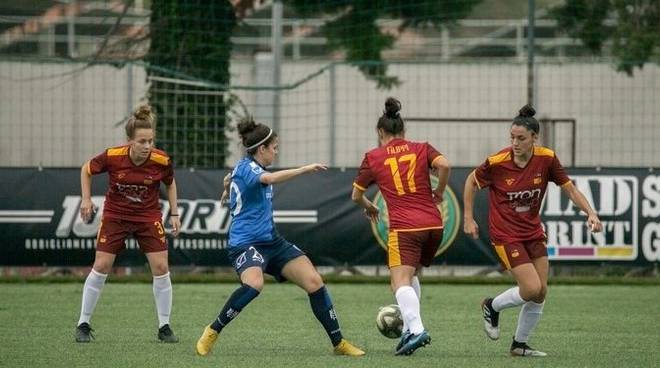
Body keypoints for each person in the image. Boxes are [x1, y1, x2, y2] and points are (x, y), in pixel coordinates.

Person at [195, 117, 365, 357]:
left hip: (272, 242)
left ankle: (339, 343)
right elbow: (270, 179)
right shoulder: (250, 169)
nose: (276, 152)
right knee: (254, 284)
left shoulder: (246, 167)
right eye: (274, 148)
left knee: (315, 282)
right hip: (245, 243)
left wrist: (226, 189)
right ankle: (212, 331)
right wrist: (306, 169)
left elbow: (229, 178)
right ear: (261, 148)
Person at [463, 105, 603, 357]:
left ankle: (519, 345)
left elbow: (570, 189)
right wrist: (468, 217)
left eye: (521, 138)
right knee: (529, 289)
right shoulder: (497, 162)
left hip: (533, 232)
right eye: (512, 138)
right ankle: (491, 306)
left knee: (540, 292)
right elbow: (471, 181)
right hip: (505, 235)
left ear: (534, 138)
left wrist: (590, 212)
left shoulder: (546, 158)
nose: (515, 143)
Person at [351, 97, 450, 356]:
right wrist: (438, 191)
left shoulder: (373, 157)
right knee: (412, 275)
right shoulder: (421, 148)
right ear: (404, 131)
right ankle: (408, 329)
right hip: (433, 223)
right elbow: (444, 165)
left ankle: (416, 329)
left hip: (404, 227)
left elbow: (355, 195)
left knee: (399, 282)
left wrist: (368, 206)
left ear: (380, 132)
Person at [74, 105, 181, 343]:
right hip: (116, 215)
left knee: (161, 268)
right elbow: (86, 169)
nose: (147, 146)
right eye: (142, 141)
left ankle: (164, 327)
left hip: (148, 217)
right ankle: (83, 323)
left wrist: (174, 214)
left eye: (150, 141)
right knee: (101, 265)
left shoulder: (161, 160)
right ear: (129, 141)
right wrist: (86, 199)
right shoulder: (113, 156)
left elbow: (170, 184)